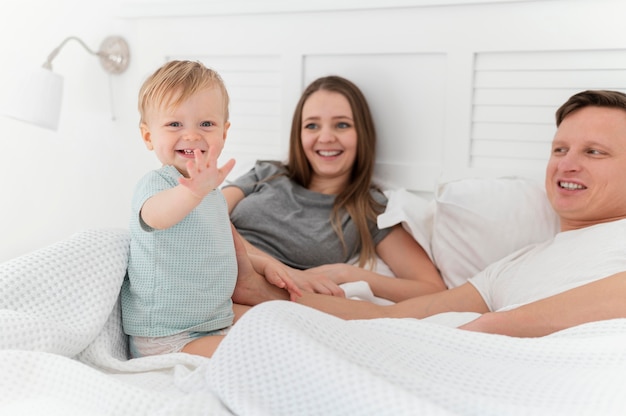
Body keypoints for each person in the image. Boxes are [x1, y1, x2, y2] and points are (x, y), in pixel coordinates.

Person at [235, 89, 626, 337]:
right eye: (559, 150)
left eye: (594, 151)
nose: (566, 164)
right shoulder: (510, 268)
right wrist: (260, 291)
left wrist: (487, 329)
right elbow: (402, 317)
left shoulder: (370, 208)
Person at [121, 60, 299, 359]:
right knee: (259, 360)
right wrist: (194, 193)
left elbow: (225, 245)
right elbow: (157, 217)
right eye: (174, 124)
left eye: (206, 124)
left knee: (287, 331)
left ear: (224, 133)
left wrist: (261, 264)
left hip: (212, 321)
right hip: (167, 333)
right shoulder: (157, 185)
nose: (191, 135)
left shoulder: (212, 193)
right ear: (149, 136)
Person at [223, 75, 446, 302]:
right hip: (212, 261)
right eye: (312, 125)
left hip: (257, 298)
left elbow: (431, 289)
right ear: (298, 134)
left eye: (342, 125)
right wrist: (281, 270)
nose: (326, 137)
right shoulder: (266, 173)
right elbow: (205, 211)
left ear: (362, 134)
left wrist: (346, 273)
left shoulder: (369, 210)